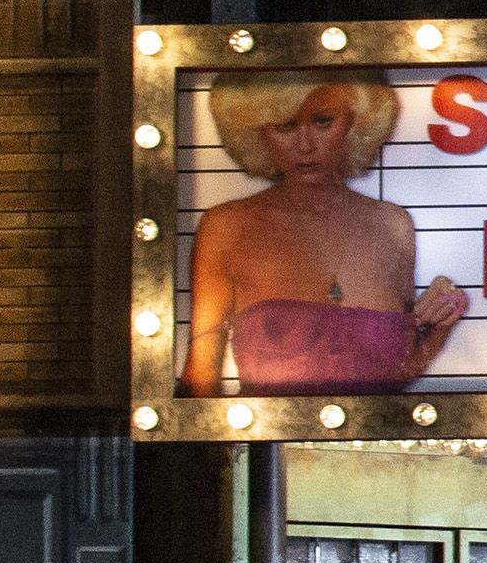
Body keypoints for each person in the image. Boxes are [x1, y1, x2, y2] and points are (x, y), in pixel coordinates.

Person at [180, 74, 463, 393]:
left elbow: (397, 369)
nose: (305, 145)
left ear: (355, 122)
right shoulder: (226, 227)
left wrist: (443, 318)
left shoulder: (393, 225)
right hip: (270, 441)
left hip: (372, 440)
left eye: (322, 121)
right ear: (257, 131)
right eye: (285, 125)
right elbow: (201, 377)